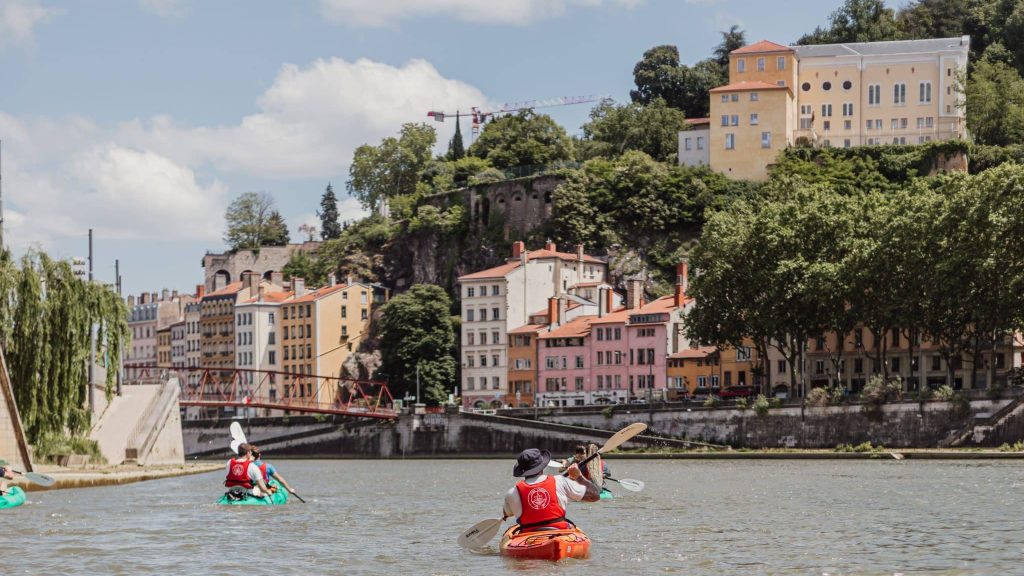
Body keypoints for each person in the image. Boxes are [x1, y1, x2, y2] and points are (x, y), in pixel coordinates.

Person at [503, 448, 602, 534]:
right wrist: (579, 477)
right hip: (559, 532)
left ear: (522, 470)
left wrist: (507, 513)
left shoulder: (511, 493)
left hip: (529, 536)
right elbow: (595, 496)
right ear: (543, 465)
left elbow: (507, 513)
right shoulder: (560, 481)